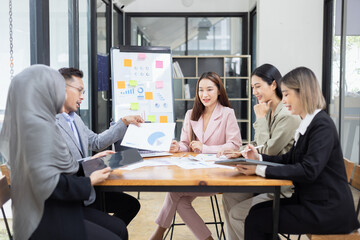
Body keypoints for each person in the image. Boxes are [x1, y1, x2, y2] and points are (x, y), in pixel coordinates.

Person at [0, 65, 125, 240]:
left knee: (117, 230)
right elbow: (52, 184)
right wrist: (89, 181)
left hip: (55, 209)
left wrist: (87, 166)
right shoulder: (37, 130)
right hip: (47, 217)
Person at [237, 67, 359, 239]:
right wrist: (259, 158)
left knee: (256, 220)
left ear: (303, 92)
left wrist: (258, 169)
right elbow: (289, 158)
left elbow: (308, 170)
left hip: (328, 211)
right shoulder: (309, 123)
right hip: (312, 202)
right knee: (257, 212)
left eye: (287, 94)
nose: (284, 100)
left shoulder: (321, 125)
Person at [150, 72, 242, 240]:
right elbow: (186, 144)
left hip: (218, 175)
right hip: (194, 173)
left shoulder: (227, 113)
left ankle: (158, 234)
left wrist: (205, 148)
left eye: (209, 89)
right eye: (200, 90)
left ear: (219, 91)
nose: (204, 94)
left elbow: (235, 145)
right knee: (181, 201)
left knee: (174, 193)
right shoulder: (191, 114)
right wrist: (178, 146)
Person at [219, 64, 301, 240]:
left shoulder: (287, 115)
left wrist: (261, 119)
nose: (254, 92)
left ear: (273, 84)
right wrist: (239, 152)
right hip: (265, 178)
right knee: (230, 196)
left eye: (258, 86)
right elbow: (258, 144)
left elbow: (269, 149)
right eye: (252, 87)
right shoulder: (272, 110)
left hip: (281, 185)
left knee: (237, 214)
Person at [57, 67, 142, 226]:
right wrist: (91, 161)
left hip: (90, 186)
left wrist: (124, 122)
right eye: (79, 91)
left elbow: (96, 142)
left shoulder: (75, 119)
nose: (82, 97)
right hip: (76, 192)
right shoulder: (50, 124)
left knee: (130, 204)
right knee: (124, 214)